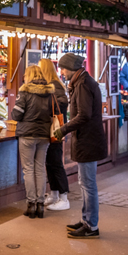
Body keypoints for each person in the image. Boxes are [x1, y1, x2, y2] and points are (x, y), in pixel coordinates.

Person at [52, 53, 107, 239]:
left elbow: (84, 115)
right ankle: (86, 220)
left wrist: (63, 129)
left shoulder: (83, 84)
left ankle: (91, 226)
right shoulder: (81, 81)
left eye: (64, 69)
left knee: (88, 184)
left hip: (88, 141)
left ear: (71, 68)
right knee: (85, 183)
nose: (62, 72)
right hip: (86, 140)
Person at [11, 65, 56, 219]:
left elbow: (16, 114)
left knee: (28, 170)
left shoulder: (24, 91)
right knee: (40, 169)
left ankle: (31, 204)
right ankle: (41, 204)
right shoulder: (50, 92)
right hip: (44, 135)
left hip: (27, 134)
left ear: (28, 76)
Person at [40, 59, 70, 211]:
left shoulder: (55, 85)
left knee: (55, 162)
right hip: (51, 129)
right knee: (50, 162)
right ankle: (54, 194)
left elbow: (63, 103)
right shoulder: (51, 84)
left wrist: (47, 106)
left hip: (55, 129)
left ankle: (64, 197)